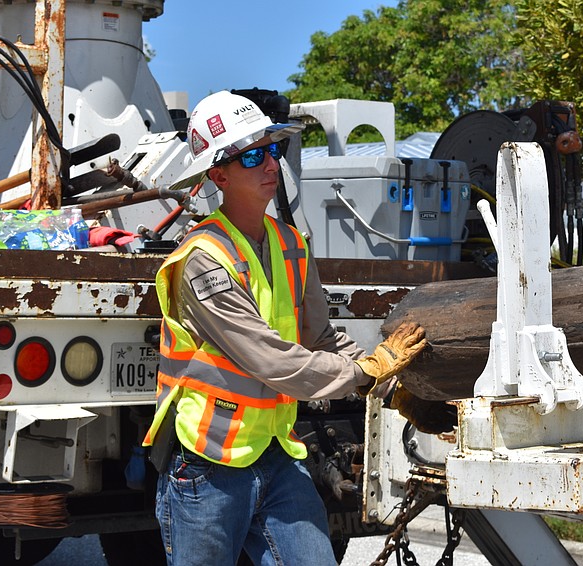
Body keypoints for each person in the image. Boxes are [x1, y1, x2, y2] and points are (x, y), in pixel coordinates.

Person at [143, 90, 427, 566]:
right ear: (218, 175)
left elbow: (321, 338)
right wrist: (364, 372)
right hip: (211, 462)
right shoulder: (201, 260)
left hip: (277, 454)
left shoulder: (291, 243)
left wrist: (385, 380)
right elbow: (272, 360)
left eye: (272, 149)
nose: (270, 164)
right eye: (251, 155)